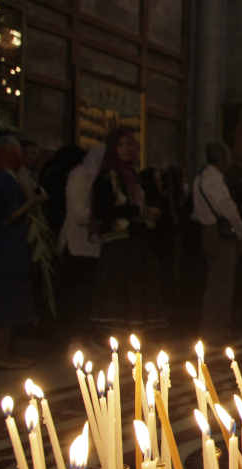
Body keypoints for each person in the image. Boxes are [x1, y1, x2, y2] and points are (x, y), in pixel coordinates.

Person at [90, 128, 164, 331]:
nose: (127, 149)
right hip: (117, 243)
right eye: (121, 145)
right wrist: (135, 211)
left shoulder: (134, 176)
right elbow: (104, 210)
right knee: (117, 296)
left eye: (130, 144)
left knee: (136, 294)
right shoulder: (108, 177)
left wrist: (147, 212)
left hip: (135, 241)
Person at [0, 136, 43, 368]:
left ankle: (6, 350)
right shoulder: (1, 180)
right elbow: (5, 216)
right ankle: (1, 353)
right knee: (5, 300)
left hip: (7, 247)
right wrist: (32, 203)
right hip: (2, 247)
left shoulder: (4, 178)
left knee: (10, 299)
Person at [192, 142, 242, 338]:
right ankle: (215, 330)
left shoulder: (200, 178)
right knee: (221, 284)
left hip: (208, 230)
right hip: (219, 233)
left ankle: (213, 328)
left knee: (215, 282)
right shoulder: (212, 179)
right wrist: (240, 230)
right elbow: (227, 208)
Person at [58, 145, 104, 325]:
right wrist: (100, 217)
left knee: (88, 294)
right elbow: (78, 212)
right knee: (78, 295)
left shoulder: (98, 177)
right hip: (77, 243)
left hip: (92, 244)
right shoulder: (79, 176)